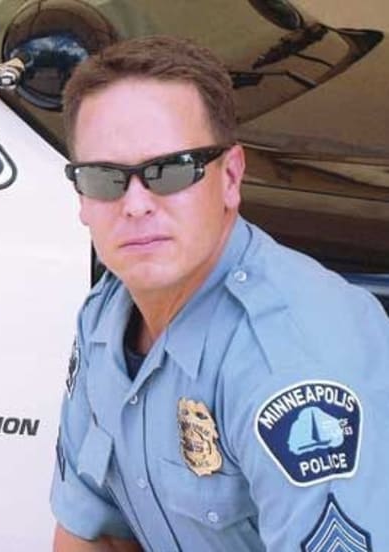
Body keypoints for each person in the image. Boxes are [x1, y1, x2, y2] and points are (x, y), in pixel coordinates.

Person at [49, 35, 389, 552]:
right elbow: (95, 536)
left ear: (230, 176)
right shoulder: (105, 317)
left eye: (171, 170)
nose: (135, 204)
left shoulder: (291, 364)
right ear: (81, 196)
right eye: (105, 177)